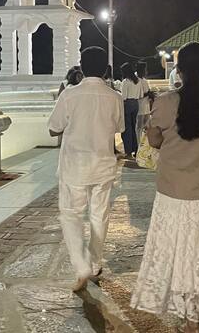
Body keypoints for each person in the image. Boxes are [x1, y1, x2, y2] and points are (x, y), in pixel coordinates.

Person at [131, 43, 199, 333]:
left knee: (173, 248)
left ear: (179, 70)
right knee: (198, 248)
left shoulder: (163, 103)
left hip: (172, 188)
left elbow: (153, 142)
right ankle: (193, 315)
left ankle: (183, 307)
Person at [48, 46, 124, 292]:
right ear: (106, 69)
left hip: (74, 165)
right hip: (102, 164)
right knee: (99, 215)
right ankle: (94, 262)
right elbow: (118, 128)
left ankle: (81, 266)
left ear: (81, 67)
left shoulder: (70, 94)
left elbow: (53, 128)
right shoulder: (115, 96)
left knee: (71, 214)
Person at [120, 62, 144, 157]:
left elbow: (123, 97)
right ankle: (135, 148)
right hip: (136, 104)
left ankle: (128, 150)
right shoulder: (138, 80)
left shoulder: (125, 82)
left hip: (127, 104)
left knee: (127, 128)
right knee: (134, 126)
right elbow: (141, 95)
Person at [135, 62, 152, 146]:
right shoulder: (136, 80)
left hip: (146, 106)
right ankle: (138, 144)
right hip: (139, 106)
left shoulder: (144, 80)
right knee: (139, 127)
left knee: (146, 126)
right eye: (145, 70)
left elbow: (147, 91)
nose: (146, 71)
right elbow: (137, 95)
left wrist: (150, 94)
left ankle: (145, 143)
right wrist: (147, 94)